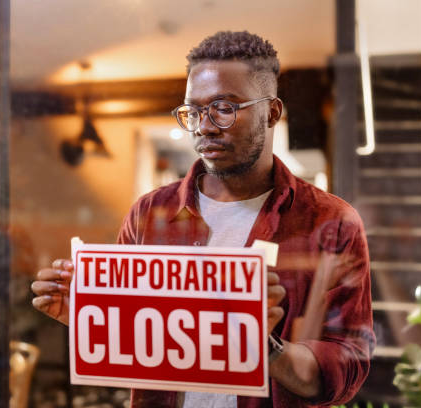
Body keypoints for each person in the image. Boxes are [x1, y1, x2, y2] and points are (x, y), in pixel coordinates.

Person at [31, 31, 374, 408]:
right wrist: (93, 319)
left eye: (224, 107)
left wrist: (265, 348)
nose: (204, 126)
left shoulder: (332, 222)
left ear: (272, 112)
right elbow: (147, 339)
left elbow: (345, 368)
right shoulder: (149, 214)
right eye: (193, 111)